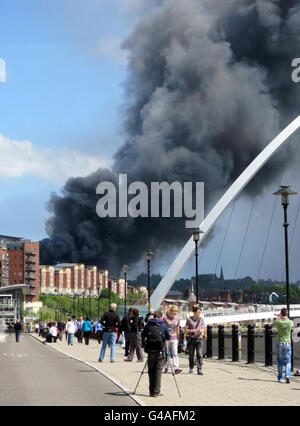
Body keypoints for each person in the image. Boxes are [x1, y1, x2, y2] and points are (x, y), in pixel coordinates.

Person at [142, 310, 170, 397]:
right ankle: (156, 392)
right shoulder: (163, 325)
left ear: (154, 316)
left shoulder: (148, 325)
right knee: (158, 372)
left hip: (150, 351)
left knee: (151, 371)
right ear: (161, 317)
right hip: (160, 351)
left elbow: (143, 334)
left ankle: (151, 391)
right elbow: (168, 337)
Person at [273, 307, 293, 383]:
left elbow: (273, 325)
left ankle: (280, 378)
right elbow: (292, 327)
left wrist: (278, 317)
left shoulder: (278, 322)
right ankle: (287, 375)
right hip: (288, 343)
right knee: (288, 361)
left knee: (280, 361)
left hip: (280, 343)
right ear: (287, 313)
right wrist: (286, 317)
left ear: (281, 313)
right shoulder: (290, 322)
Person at [185, 306, 206, 375]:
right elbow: (186, 330)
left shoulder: (201, 319)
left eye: (199, 312)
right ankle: (191, 368)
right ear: (194, 312)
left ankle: (199, 369)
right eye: (197, 312)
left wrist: (200, 331)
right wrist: (192, 330)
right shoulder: (189, 320)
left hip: (199, 338)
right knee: (191, 354)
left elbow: (203, 328)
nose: (199, 313)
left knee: (199, 354)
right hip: (192, 339)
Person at [163, 305, 182, 374]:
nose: (175, 312)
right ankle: (166, 367)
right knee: (167, 353)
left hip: (174, 338)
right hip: (167, 338)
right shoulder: (165, 318)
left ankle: (176, 368)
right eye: (174, 311)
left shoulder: (177, 319)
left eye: (176, 311)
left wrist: (178, 338)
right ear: (171, 311)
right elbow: (163, 328)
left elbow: (178, 329)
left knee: (175, 353)